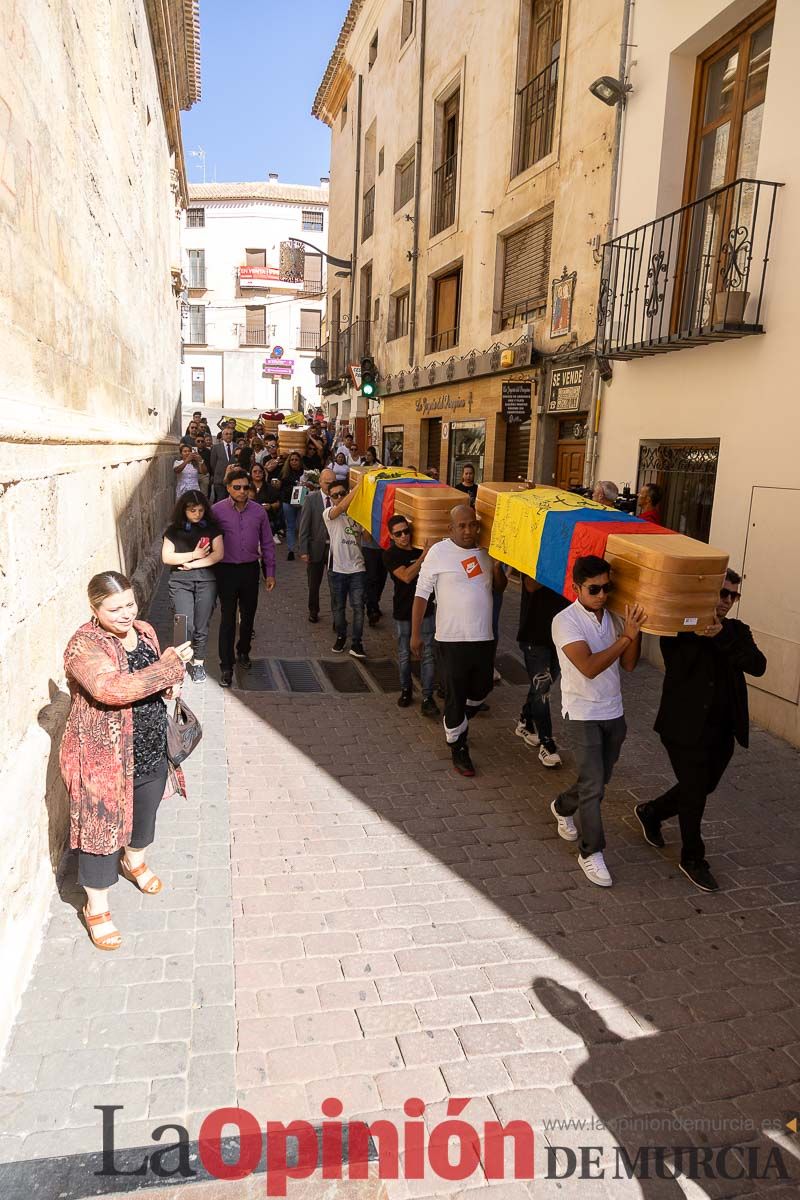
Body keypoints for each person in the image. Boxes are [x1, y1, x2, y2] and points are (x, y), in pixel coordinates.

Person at [59, 571, 191, 950]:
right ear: (94, 609)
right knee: (100, 831)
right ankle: (95, 906)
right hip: (103, 757)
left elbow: (154, 678)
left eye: (130, 604)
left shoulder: (146, 630)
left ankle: (134, 859)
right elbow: (110, 688)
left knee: (145, 815)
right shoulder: (83, 646)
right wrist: (168, 667)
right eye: (114, 608)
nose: (125, 614)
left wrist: (171, 681)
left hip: (149, 746)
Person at [634, 569, 766, 892]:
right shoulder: (681, 627)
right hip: (683, 729)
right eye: (722, 593)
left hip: (723, 732)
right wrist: (702, 632)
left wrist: (721, 636)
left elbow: (758, 665)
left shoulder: (737, 631)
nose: (726, 601)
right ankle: (692, 858)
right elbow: (678, 666)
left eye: (732, 596)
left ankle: (651, 812)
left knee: (701, 788)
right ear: (708, 592)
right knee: (694, 791)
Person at [550, 556, 646, 888]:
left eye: (608, 587)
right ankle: (591, 851)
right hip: (581, 714)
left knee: (598, 781)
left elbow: (630, 665)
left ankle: (562, 806)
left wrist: (636, 631)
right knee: (594, 786)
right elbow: (589, 667)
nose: (603, 594)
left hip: (613, 712)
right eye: (594, 589)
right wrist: (626, 637)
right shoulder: (565, 621)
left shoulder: (616, 618)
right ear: (576, 588)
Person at [412, 504, 507, 776]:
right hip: (450, 640)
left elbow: (499, 588)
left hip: (483, 638)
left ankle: (457, 721)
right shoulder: (439, 553)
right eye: (462, 526)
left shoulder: (487, 553)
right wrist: (417, 634)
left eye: (472, 525)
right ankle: (458, 746)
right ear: (451, 529)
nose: (468, 530)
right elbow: (421, 594)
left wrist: (499, 566)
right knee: (455, 697)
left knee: (481, 691)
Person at [212, 469, 276, 687]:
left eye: (245, 487)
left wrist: (270, 572)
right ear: (228, 487)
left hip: (250, 570)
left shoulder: (259, 512)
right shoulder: (217, 511)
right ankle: (226, 665)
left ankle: (243, 652)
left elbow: (267, 543)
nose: (241, 491)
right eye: (236, 487)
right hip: (226, 571)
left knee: (248, 617)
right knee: (228, 618)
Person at [161, 491, 224, 683]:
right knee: (183, 623)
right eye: (192, 510)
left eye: (200, 510)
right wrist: (194, 555)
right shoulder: (173, 531)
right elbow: (167, 557)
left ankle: (198, 663)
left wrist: (194, 564)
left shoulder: (212, 528)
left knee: (201, 625)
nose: (197, 514)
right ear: (184, 510)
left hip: (207, 581)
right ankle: (179, 664)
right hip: (180, 582)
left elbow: (218, 554)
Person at [384, 515, 438, 717]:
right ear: (391, 536)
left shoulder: (418, 548)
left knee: (427, 654)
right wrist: (424, 556)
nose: (404, 536)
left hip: (426, 610)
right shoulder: (390, 555)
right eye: (399, 533)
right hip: (404, 611)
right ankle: (406, 690)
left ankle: (427, 696)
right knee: (405, 653)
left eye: (407, 531)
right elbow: (406, 577)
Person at [515, 576, 569, 768]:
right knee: (542, 689)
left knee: (544, 685)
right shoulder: (537, 550)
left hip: (564, 632)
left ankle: (526, 719)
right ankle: (547, 743)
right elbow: (531, 584)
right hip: (536, 634)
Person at [323, 480, 367, 658]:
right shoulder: (328, 514)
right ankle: (341, 635)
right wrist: (361, 484)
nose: (339, 498)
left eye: (342, 493)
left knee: (358, 607)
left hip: (357, 568)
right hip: (337, 570)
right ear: (330, 498)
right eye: (335, 496)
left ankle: (357, 643)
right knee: (338, 608)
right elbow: (340, 508)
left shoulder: (358, 514)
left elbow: (368, 538)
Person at [298, 467, 336, 624]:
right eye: (327, 482)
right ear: (320, 482)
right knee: (314, 584)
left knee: (336, 584)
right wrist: (304, 550)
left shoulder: (339, 498)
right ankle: (313, 610)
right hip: (316, 548)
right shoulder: (311, 499)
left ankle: (337, 616)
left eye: (333, 482)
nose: (330, 485)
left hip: (334, 548)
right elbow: (304, 526)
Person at [279, 451, 305, 561]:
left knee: (301, 526)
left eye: (296, 459)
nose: (294, 462)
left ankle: (302, 549)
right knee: (290, 526)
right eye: (292, 460)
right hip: (288, 502)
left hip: (301, 502)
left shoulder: (305, 473)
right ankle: (291, 550)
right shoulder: (284, 473)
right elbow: (280, 487)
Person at [210, 425, 236, 501]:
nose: (228, 435)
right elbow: (213, 463)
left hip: (233, 481)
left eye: (230, 434)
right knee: (220, 500)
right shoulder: (216, 447)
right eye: (226, 434)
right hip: (219, 480)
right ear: (222, 435)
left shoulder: (237, 447)